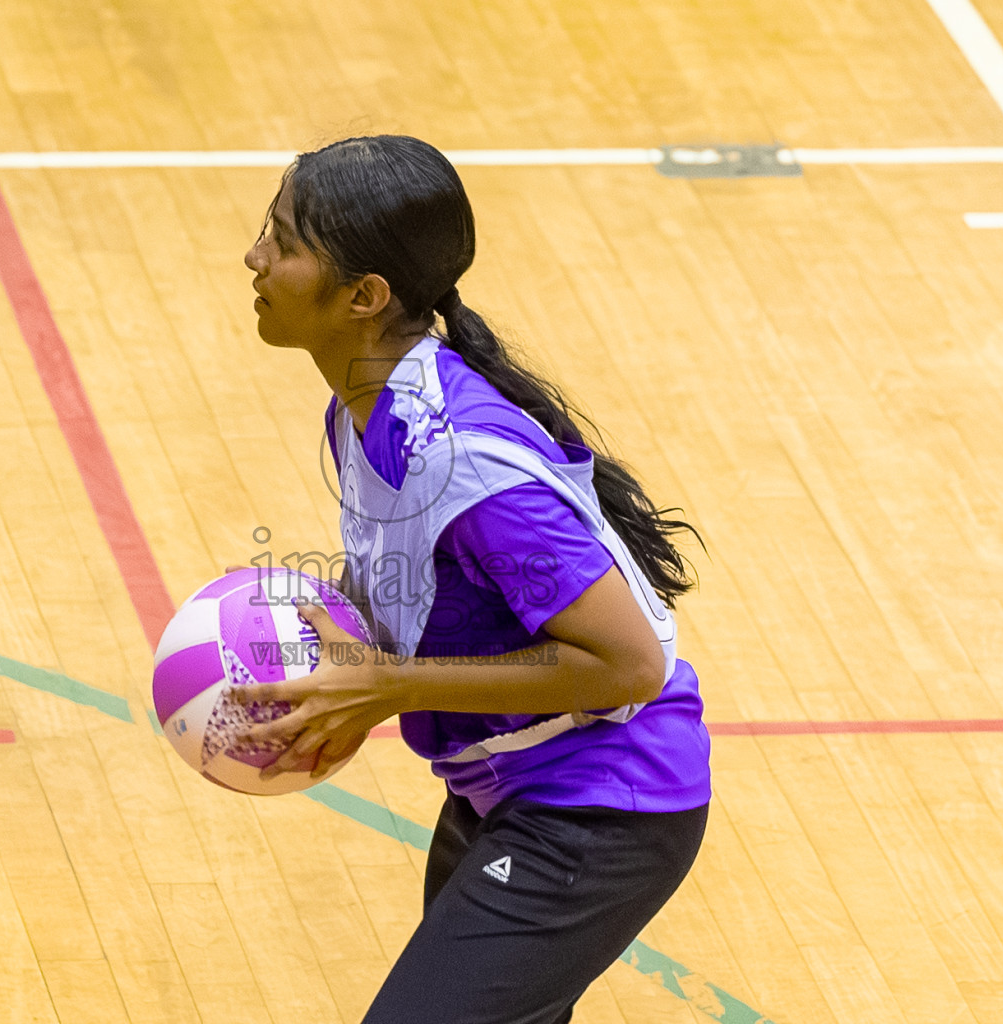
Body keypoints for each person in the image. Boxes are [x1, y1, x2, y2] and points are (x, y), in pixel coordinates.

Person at [232, 135, 711, 1024]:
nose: (255, 257)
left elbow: (630, 663)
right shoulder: (366, 408)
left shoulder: (464, 461)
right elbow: (419, 582)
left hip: (599, 805)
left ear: (364, 298)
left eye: (286, 242)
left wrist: (390, 687)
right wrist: (335, 651)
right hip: (501, 787)